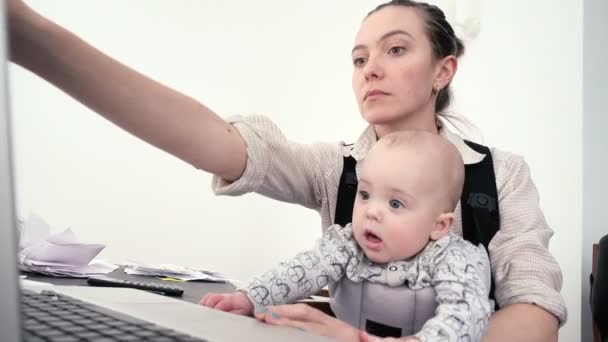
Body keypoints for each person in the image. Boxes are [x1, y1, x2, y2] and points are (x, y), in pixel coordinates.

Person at [6, 0, 567, 341]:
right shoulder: (337, 167)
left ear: (443, 69)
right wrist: (29, 36)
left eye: (396, 50)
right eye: (359, 58)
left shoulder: (501, 177)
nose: (371, 69)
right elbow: (221, 145)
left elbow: (535, 315)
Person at [201, 130, 494, 341]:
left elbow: (466, 312)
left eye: (395, 203)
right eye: (365, 195)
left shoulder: (455, 258)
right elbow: (300, 271)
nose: (372, 212)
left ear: (439, 226)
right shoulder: (347, 243)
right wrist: (250, 297)